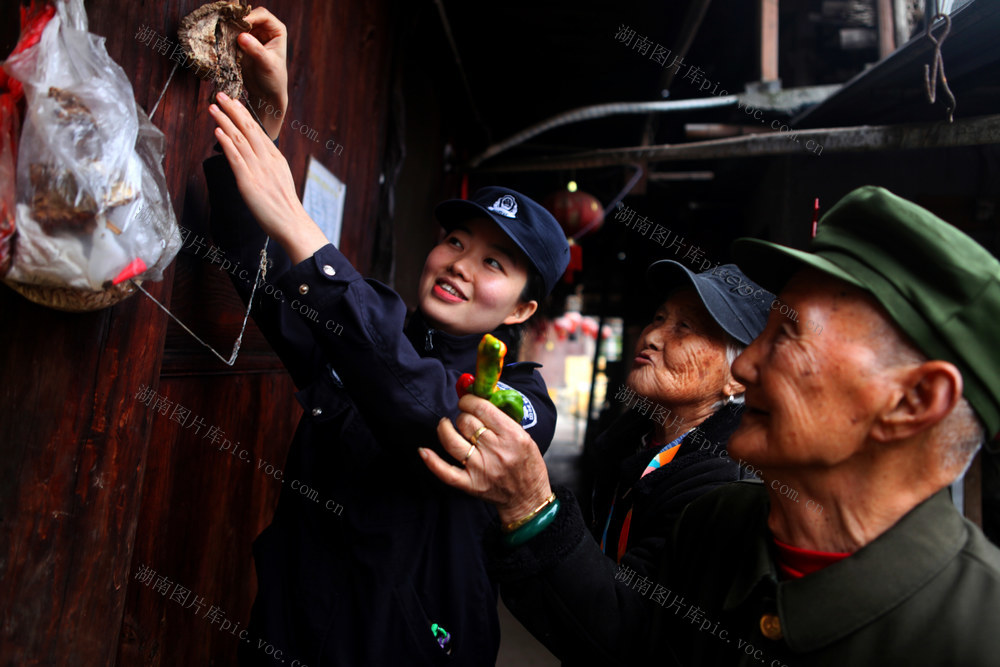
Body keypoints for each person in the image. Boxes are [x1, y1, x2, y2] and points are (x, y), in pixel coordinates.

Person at [421, 185, 1000, 666]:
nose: (747, 367)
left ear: (914, 401)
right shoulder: (716, 527)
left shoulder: (978, 631)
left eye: (788, 338)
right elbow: (628, 645)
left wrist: (530, 504)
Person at [201, 8, 570, 665]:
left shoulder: (524, 403)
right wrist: (263, 120)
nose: (458, 262)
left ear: (522, 310)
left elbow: (433, 412)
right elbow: (259, 270)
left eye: (493, 262)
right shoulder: (365, 327)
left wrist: (302, 228)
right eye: (455, 240)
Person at [589, 262, 772, 564]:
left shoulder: (723, 485)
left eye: (684, 327)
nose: (653, 336)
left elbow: (629, 608)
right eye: (659, 318)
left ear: (736, 379)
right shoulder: (629, 439)